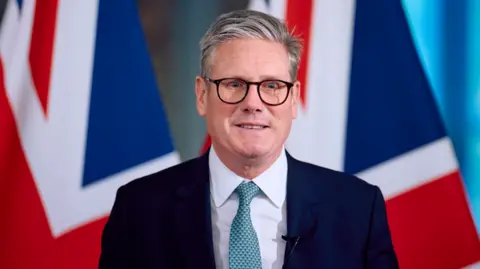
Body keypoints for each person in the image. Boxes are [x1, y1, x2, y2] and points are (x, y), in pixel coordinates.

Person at [98, 9, 399, 269]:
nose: (253, 103)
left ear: (293, 99)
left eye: (271, 85)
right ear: (202, 95)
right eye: (234, 84)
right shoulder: (139, 209)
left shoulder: (358, 207)